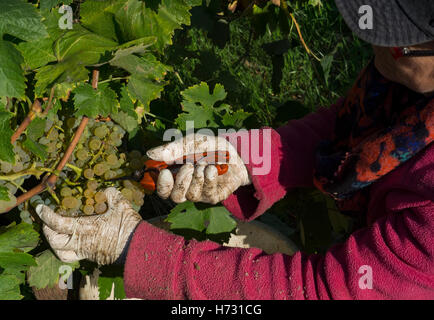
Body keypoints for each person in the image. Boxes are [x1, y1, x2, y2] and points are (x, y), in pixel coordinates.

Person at [35, 0, 434, 299]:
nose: (374, 46)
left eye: (398, 44)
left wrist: (134, 250)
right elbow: (356, 130)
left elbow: (319, 292)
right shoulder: (416, 87)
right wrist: (248, 159)